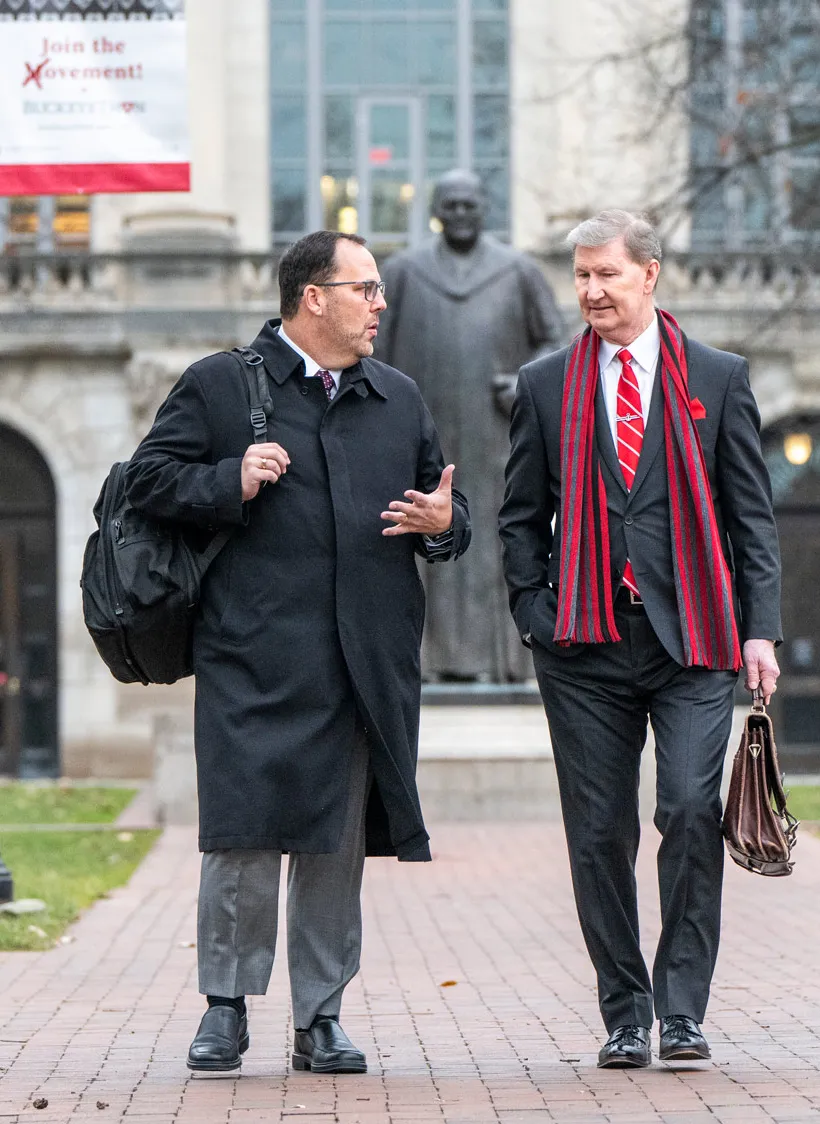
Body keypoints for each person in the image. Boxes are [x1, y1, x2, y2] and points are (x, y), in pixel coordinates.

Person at [124, 231, 470, 1075]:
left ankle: (321, 1016)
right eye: (367, 289)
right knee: (241, 835)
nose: (381, 304)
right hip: (252, 654)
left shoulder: (397, 397)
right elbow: (146, 484)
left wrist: (444, 526)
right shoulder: (218, 384)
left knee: (332, 840)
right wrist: (227, 478)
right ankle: (225, 1008)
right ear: (313, 297)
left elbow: (443, 510)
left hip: (363, 660)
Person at [499, 210, 781, 1068]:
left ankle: (682, 1009)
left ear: (649, 275)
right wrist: (532, 611)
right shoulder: (545, 384)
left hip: (693, 638)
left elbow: (751, 518)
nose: (589, 291)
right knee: (596, 834)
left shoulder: (718, 378)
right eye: (580, 276)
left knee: (690, 811)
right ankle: (624, 1012)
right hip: (582, 645)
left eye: (605, 275)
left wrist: (760, 629)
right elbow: (518, 516)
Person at [376, 169, 564, 682]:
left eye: (469, 204)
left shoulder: (518, 272)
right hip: (421, 440)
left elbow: (558, 343)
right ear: (436, 210)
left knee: (495, 541)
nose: (460, 213)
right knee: (423, 541)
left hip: (498, 442)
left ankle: (501, 664)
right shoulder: (404, 273)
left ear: (485, 208)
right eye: (450, 204)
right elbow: (369, 349)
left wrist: (524, 382)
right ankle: (430, 661)